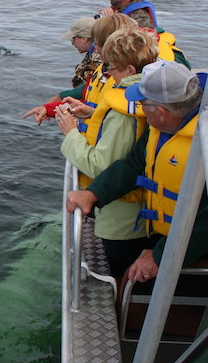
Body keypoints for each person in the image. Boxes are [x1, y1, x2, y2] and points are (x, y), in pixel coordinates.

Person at [66, 61, 208, 282]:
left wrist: (159, 255)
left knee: (131, 281)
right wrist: (94, 193)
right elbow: (134, 164)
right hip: (167, 235)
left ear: (162, 112)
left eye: (142, 103)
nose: (139, 109)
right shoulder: (164, 125)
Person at [53, 26, 159, 281]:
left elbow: (101, 166)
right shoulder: (148, 96)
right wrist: (92, 113)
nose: (108, 75)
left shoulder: (123, 114)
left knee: (119, 274)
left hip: (123, 222)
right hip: (143, 214)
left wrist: (70, 134)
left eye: (111, 68)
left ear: (130, 70)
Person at [24, 14, 139, 121]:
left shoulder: (121, 79)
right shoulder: (104, 70)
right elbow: (90, 105)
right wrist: (49, 109)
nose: (97, 49)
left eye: (98, 43)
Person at [61, 17, 103, 89]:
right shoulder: (94, 51)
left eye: (73, 38)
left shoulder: (97, 58)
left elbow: (85, 87)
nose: (72, 43)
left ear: (84, 39)